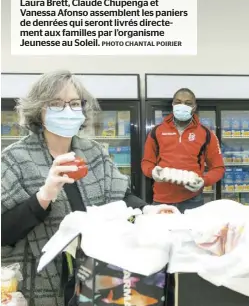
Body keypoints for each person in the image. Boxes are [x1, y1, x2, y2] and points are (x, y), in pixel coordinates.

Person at [1, 70, 178, 306]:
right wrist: (44, 196)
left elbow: (121, 198)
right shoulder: (14, 159)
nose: (68, 111)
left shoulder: (94, 152)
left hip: (99, 276)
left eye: (74, 103)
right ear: (39, 111)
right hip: (39, 283)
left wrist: (147, 210)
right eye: (56, 104)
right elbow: (4, 232)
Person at [142, 88, 225, 213]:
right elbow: (146, 162)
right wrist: (152, 172)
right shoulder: (156, 132)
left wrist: (204, 181)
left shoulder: (206, 134)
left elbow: (218, 168)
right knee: (161, 232)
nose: (182, 106)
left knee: (192, 232)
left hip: (193, 199)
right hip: (161, 199)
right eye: (178, 102)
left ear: (194, 107)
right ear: (173, 105)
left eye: (188, 103)